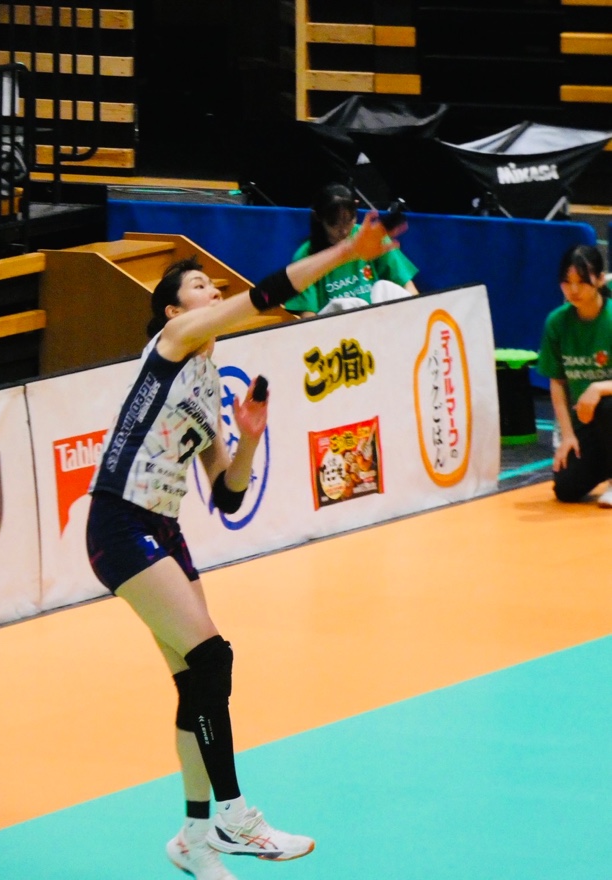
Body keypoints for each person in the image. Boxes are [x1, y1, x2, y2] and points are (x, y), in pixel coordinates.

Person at [85, 212, 394, 880]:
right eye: (198, 285)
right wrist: (347, 251)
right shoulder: (173, 341)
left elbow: (226, 496)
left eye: (210, 284)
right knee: (212, 658)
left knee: (197, 682)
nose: (211, 290)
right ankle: (233, 816)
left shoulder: (207, 379)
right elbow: (264, 295)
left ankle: (194, 839)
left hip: (164, 528)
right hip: (119, 521)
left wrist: (249, 437)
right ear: (174, 309)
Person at [536, 244, 612, 507]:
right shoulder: (556, 322)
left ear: (599, 279)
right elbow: (557, 382)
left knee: (607, 405)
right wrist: (568, 436)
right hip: (588, 425)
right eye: (567, 282)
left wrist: (599, 388)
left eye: (582, 282)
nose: (574, 290)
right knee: (567, 487)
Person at [283, 182, 420, 318]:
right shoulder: (306, 255)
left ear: (356, 207)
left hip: (378, 318)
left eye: (349, 221)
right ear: (318, 216)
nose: (343, 231)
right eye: (333, 223)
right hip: (334, 324)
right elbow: (308, 315)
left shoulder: (370, 237)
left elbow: (407, 286)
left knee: (384, 287)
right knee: (347, 305)